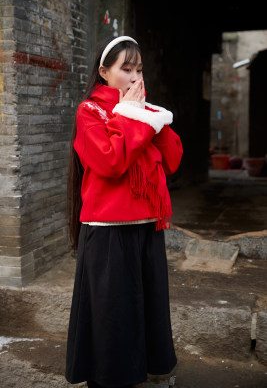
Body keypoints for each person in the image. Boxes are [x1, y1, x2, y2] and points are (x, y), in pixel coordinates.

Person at [65, 35, 183, 388]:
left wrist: (146, 116)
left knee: (144, 305)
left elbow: (173, 158)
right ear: (104, 72)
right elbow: (110, 161)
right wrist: (133, 117)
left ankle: (140, 369)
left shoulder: (145, 112)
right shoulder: (90, 112)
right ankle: (107, 378)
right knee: (111, 312)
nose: (135, 78)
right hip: (108, 228)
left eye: (139, 69)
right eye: (126, 69)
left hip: (148, 224)